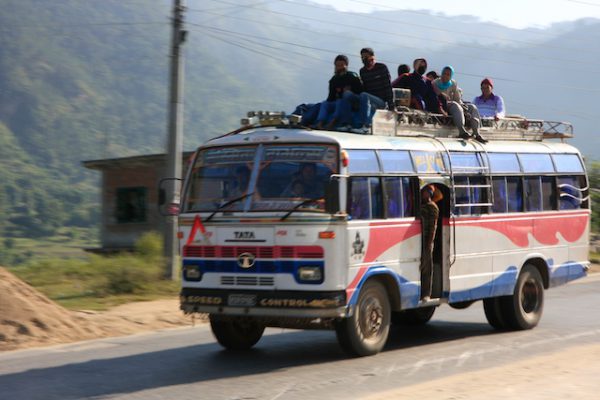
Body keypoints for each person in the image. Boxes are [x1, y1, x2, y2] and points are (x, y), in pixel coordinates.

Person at [433, 66, 487, 143]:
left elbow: (457, 98)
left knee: (472, 107)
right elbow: (435, 97)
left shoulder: (453, 83)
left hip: (454, 104)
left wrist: (463, 107)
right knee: (455, 105)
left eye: (448, 74)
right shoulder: (435, 83)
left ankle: (476, 133)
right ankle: (461, 131)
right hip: (443, 105)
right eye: (444, 73)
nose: (445, 76)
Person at [315, 55, 363, 130]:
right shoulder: (334, 80)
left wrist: (350, 91)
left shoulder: (352, 77)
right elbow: (330, 97)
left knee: (341, 100)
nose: (339, 67)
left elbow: (360, 92)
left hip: (351, 102)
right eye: (337, 65)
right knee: (325, 103)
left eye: (341, 65)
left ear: (346, 66)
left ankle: (333, 122)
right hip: (338, 101)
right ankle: (320, 123)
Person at [353, 47, 394, 134]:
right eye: (362, 57)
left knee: (364, 95)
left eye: (366, 57)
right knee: (350, 96)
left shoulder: (381, 68)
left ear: (372, 57)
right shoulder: (362, 71)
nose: (364, 59)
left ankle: (365, 125)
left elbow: (388, 87)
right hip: (369, 100)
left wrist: (391, 106)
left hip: (381, 101)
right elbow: (365, 88)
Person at [420, 184, 442, 302]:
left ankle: (426, 294)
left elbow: (433, 227)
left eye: (425, 192)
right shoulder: (421, 206)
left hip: (428, 240)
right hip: (419, 239)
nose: (423, 194)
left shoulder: (432, 207)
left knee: (427, 268)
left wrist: (429, 243)